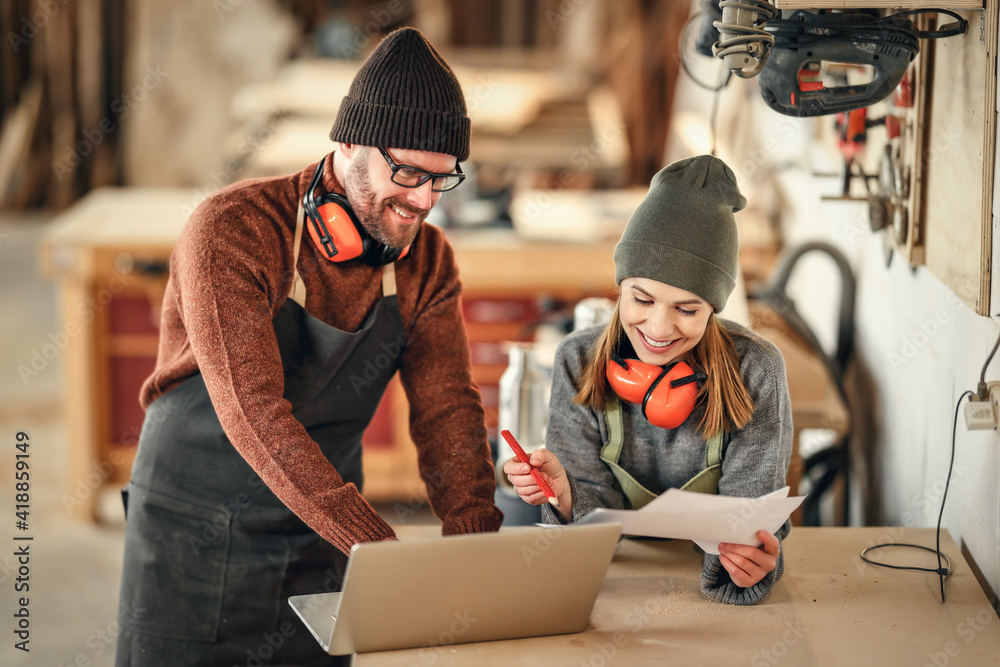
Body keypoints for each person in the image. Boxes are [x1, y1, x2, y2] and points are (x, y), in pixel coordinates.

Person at [116, 27, 504, 665]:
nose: (422, 201)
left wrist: (473, 547)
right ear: (348, 141)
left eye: (442, 180)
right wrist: (375, 548)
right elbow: (253, 413)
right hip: (198, 531)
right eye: (405, 172)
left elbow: (447, 409)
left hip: (322, 532)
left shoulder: (426, 261)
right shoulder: (235, 230)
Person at [503, 155, 793, 606]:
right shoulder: (577, 360)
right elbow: (588, 521)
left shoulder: (757, 370)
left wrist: (748, 566)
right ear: (619, 286)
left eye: (687, 309)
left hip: (701, 588)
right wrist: (564, 496)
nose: (659, 329)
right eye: (642, 299)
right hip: (617, 580)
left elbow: (749, 519)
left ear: (714, 309)